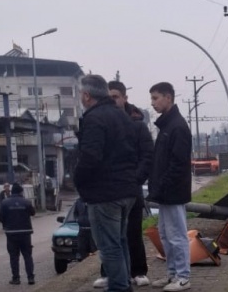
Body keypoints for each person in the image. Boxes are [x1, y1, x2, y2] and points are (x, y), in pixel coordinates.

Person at [74, 74, 139, 292]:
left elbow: (90, 157)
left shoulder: (94, 118)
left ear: (86, 95)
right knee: (120, 242)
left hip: (105, 193)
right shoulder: (122, 116)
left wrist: (78, 180)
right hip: (127, 190)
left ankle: (119, 287)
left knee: (109, 246)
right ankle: (125, 284)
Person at [93, 81, 154, 288]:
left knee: (132, 232)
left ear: (125, 98)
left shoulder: (137, 124)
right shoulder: (101, 121)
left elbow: (147, 155)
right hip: (108, 188)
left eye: (116, 96)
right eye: (109, 97)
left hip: (131, 188)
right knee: (110, 236)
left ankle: (138, 270)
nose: (113, 100)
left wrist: (136, 179)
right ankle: (110, 273)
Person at [148, 82, 192, 291]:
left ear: (168, 97)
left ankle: (183, 276)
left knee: (177, 235)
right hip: (165, 192)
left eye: (156, 98)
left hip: (173, 192)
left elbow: (178, 163)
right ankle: (173, 274)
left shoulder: (177, 127)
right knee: (166, 234)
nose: (153, 103)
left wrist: (163, 184)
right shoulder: (168, 125)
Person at [0, 183, 35, 285]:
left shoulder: (5, 202)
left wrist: (7, 224)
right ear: (20, 192)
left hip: (11, 233)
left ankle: (16, 278)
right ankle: (30, 277)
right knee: (27, 256)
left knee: (14, 257)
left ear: (12, 191)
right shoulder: (26, 202)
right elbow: (33, 213)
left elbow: (0, 217)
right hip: (25, 233)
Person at [73, 197, 96, 261]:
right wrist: (77, 219)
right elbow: (75, 213)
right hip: (82, 230)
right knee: (81, 248)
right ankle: (84, 262)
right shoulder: (78, 201)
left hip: (92, 230)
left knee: (94, 249)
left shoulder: (94, 200)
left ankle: (93, 265)